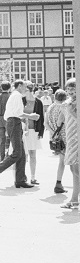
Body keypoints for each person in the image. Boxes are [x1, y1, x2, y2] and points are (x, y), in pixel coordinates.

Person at [0, 80, 39, 188]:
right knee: (17, 152)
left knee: (21, 153)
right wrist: (31, 116)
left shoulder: (15, 95)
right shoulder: (17, 96)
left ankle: (20, 180)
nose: (26, 89)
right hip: (14, 122)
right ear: (19, 86)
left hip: (14, 122)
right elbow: (18, 113)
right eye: (25, 86)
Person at [57, 78, 79, 209]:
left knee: (76, 169)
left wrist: (70, 110)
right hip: (70, 137)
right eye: (68, 89)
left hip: (77, 138)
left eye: (73, 88)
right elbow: (61, 120)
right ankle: (74, 199)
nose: (70, 91)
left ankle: (74, 199)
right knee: (73, 169)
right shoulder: (67, 103)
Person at [45, 89, 68, 194]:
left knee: (61, 161)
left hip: (55, 138)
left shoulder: (50, 107)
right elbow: (61, 122)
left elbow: (45, 124)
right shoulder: (64, 107)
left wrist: (53, 133)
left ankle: (59, 183)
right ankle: (59, 184)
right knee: (68, 161)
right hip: (64, 136)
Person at [22, 82, 44, 185]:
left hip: (33, 130)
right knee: (23, 155)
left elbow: (41, 117)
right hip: (23, 131)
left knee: (32, 154)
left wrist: (41, 132)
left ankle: (33, 177)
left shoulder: (38, 102)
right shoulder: (21, 100)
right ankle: (22, 176)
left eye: (25, 89)